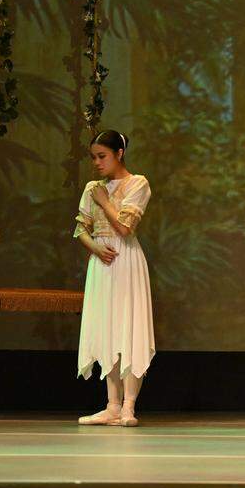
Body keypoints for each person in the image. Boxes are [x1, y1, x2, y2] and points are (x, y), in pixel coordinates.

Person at [72, 130, 154, 427]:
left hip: (126, 260)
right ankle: (112, 405)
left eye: (102, 156)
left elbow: (125, 228)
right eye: (93, 157)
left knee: (129, 327)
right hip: (102, 261)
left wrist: (105, 200)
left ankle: (129, 406)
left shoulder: (137, 184)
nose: (97, 162)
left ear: (119, 153)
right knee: (106, 328)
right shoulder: (93, 187)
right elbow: (81, 227)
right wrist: (94, 246)